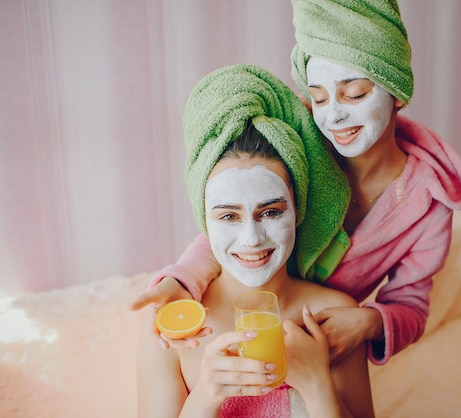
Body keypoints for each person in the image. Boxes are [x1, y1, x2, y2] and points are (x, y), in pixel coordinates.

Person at [130, 0, 461, 366]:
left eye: (355, 93)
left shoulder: (429, 201)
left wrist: (370, 322)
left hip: (321, 347)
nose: (335, 114)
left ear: (396, 90)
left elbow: (411, 305)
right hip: (245, 324)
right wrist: (185, 279)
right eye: (318, 97)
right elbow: (237, 218)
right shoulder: (299, 142)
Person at [137, 64, 374, 418]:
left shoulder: (335, 316)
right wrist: (205, 396)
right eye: (228, 216)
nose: (251, 238)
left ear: (298, 209)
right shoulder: (173, 327)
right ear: (205, 219)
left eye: (271, 212)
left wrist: (316, 385)